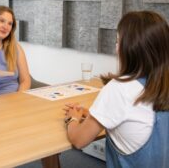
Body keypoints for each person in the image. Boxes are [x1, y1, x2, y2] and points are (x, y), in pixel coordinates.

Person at [63, 11, 169, 168]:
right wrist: (95, 115)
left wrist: (72, 119)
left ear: (132, 49)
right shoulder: (162, 83)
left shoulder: (119, 89)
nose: (116, 49)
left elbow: (79, 140)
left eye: (118, 42)